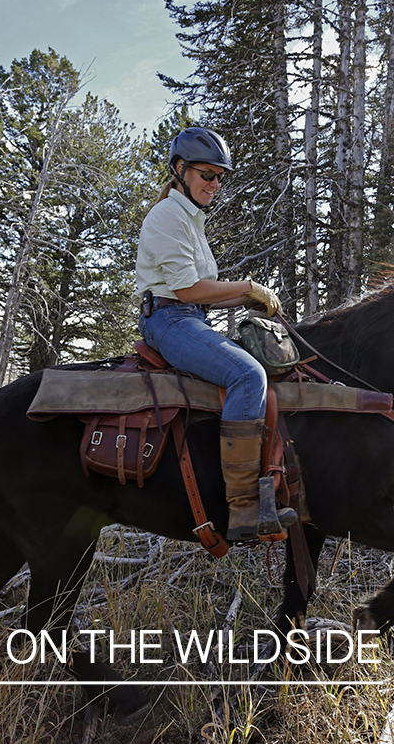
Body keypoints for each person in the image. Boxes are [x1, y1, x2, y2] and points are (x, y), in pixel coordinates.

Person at [135, 127, 297, 541]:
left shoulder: (190, 219)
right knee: (248, 375)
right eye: (206, 174)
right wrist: (245, 288)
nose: (215, 184)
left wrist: (247, 301)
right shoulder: (168, 215)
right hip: (169, 321)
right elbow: (187, 290)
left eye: (220, 177)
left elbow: (199, 294)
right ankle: (243, 507)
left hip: (189, 316)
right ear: (180, 170)